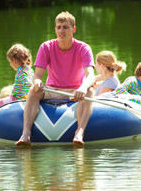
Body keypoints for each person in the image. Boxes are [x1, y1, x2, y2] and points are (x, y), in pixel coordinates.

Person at [15, 11, 95, 146]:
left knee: (90, 91)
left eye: (65, 27)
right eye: (58, 27)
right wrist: (37, 82)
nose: (61, 31)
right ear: (55, 29)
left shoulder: (83, 48)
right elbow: (37, 76)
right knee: (33, 90)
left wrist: (83, 87)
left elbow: (90, 75)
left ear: (73, 29)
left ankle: (79, 133)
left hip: (74, 91)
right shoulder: (46, 47)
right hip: (51, 90)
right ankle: (25, 134)